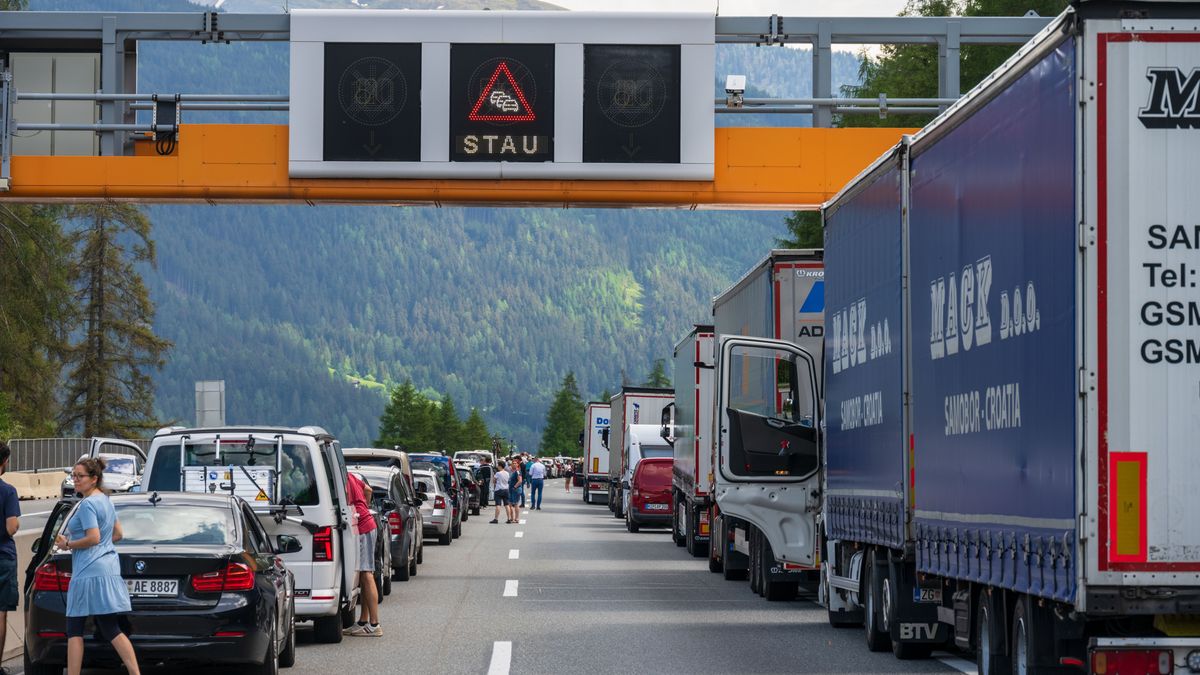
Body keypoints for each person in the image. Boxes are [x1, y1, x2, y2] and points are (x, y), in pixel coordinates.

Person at [54, 457, 140, 675]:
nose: (75, 480)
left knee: (74, 629)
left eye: (79, 476)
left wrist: (68, 544)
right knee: (111, 628)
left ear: (94, 479)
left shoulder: (88, 504)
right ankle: (135, 672)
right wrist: (103, 544)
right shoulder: (106, 500)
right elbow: (118, 534)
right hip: (108, 568)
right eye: (73, 475)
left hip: (87, 570)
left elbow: (93, 537)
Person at [344, 471, 381, 637]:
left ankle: (375, 624)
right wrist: (364, 506)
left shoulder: (342, 479)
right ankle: (363, 621)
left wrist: (358, 511)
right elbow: (369, 490)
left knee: (366, 573)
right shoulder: (350, 475)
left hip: (363, 526)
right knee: (365, 574)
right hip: (368, 522)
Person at [0, 442, 19, 670]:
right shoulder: (7, 491)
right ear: (4, 461)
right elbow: (12, 526)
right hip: (3, 556)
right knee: (1, 612)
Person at [507, 459, 523, 524]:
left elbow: (520, 481)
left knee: (515, 504)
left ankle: (516, 518)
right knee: (510, 504)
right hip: (511, 489)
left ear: (518, 464)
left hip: (515, 489)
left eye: (515, 463)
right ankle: (512, 518)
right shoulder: (512, 471)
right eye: (513, 463)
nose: (514, 464)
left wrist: (514, 487)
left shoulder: (518, 472)